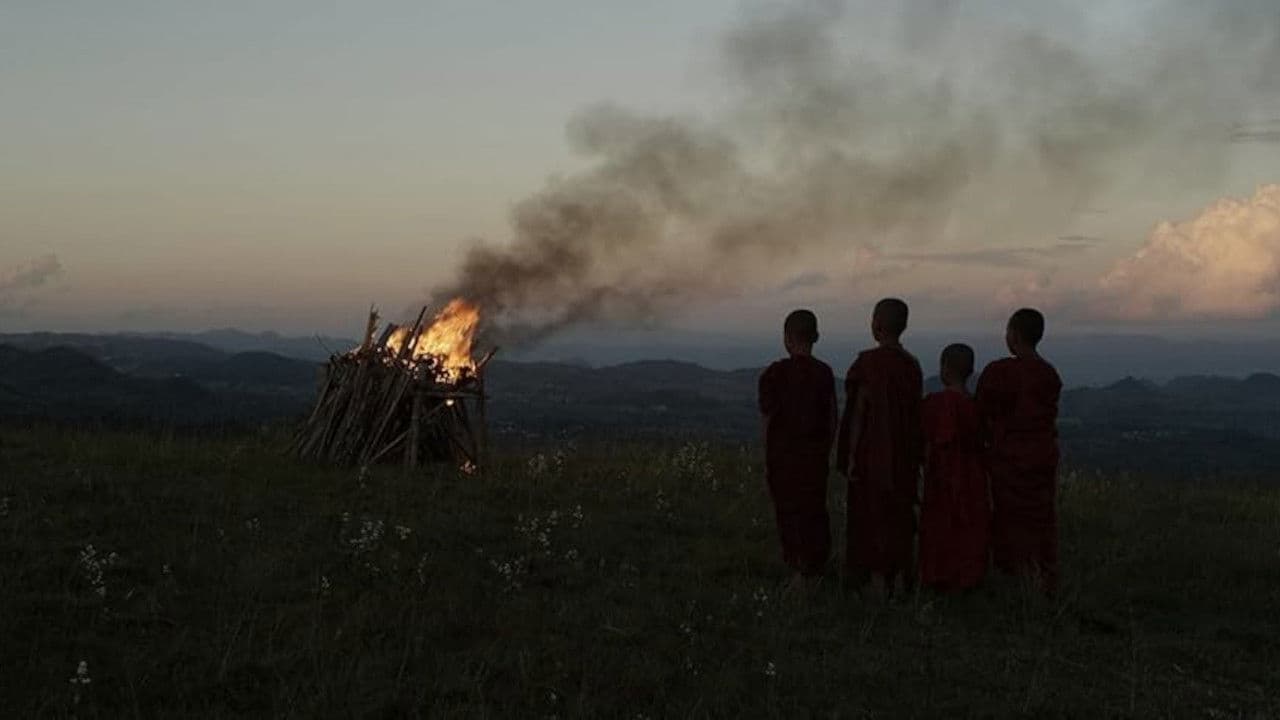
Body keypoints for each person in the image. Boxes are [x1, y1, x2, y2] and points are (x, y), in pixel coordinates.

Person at [836, 298, 923, 598]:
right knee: (898, 516)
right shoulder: (911, 365)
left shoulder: (867, 364)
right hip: (904, 457)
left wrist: (850, 456)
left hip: (871, 456)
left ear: (876, 325)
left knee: (870, 517)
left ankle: (875, 580)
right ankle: (898, 577)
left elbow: (859, 413)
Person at [975, 308, 1063, 595]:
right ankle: (1040, 577)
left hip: (1008, 458)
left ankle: (1013, 579)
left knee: (1009, 519)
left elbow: (982, 413)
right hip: (1041, 457)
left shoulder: (999, 373)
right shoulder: (1049, 374)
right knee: (1040, 519)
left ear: (1013, 335)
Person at [758, 309, 838, 588]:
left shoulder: (774, 374)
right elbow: (832, 418)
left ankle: (797, 569)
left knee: (788, 511)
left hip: (782, 457)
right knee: (814, 510)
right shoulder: (824, 373)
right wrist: (826, 450)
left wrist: (767, 456)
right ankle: (814, 566)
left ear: (786, 338)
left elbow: (768, 419)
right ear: (816, 337)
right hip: (814, 457)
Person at [919, 343, 990, 592]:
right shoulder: (976, 407)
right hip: (972, 477)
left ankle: (938, 576)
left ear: (945, 369)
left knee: (939, 526)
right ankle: (968, 578)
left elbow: (925, 440)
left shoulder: (935, 404)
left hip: (941, 476)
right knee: (969, 527)